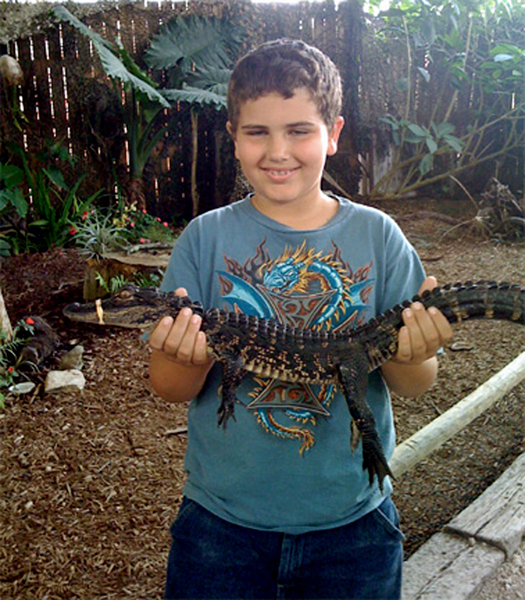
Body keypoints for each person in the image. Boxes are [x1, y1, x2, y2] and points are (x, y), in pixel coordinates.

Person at [148, 38, 453, 600]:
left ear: (333, 134)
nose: (278, 150)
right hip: (221, 526)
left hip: (353, 526)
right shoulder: (204, 238)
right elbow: (170, 387)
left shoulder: (379, 237)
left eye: (299, 130)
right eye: (258, 131)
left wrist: (414, 353)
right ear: (234, 138)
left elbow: (414, 384)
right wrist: (178, 355)